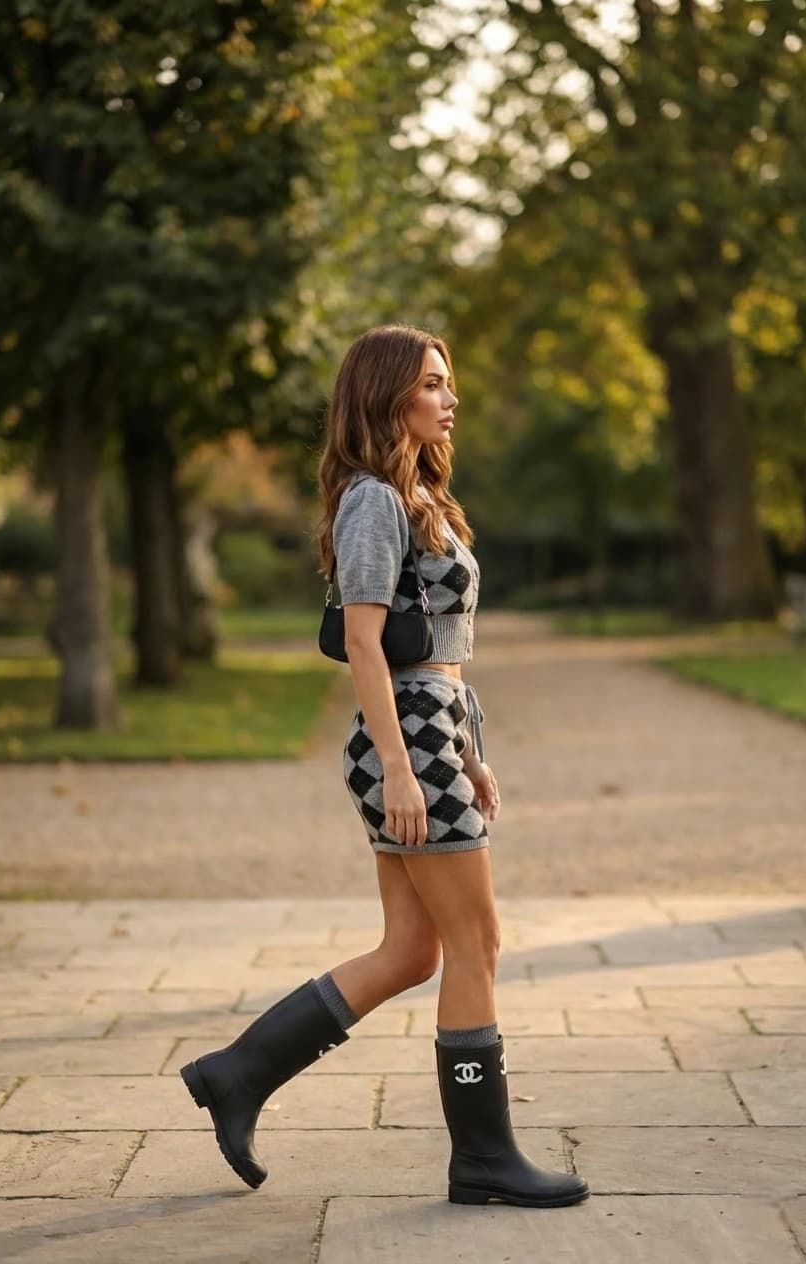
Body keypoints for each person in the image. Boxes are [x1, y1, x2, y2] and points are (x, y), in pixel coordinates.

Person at [181, 324, 589, 1209]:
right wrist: (406, 770)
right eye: (434, 384)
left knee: (411, 951)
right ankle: (484, 1159)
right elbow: (366, 647)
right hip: (405, 737)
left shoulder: (425, 499)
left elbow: (441, 652)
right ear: (387, 394)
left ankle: (237, 1073)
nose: (451, 399)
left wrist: (470, 753)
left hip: (435, 730)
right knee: (477, 943)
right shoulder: (373, 502)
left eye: (449, 382)